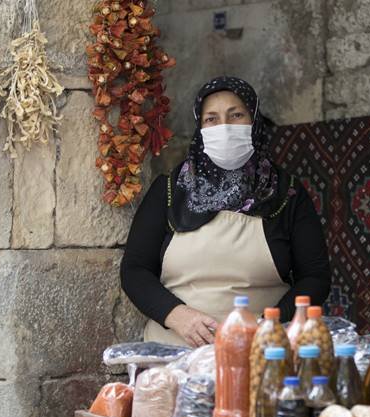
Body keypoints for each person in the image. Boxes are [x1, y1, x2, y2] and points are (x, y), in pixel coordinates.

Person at [121, 76, 331, 347]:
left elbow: (315, 277)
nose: (225, 127)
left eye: (236, 115)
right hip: (173, 354)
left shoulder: (285, 193)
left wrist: (269, 323)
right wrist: (176, 315)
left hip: (264, 351)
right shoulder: (168, 191)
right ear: (200, 127)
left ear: (254, 121)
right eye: (212, 119)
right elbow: (135, 270)